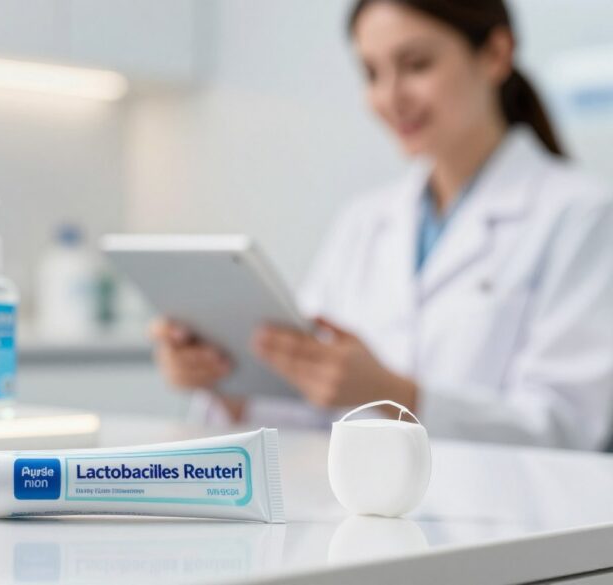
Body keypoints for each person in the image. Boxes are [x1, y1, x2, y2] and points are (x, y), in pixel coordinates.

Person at [151, 0, 613, 450]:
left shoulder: (581, 214)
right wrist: (227, 385)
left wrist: (394, 396)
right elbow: (310, 412)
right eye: (372, 73)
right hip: (363, 515)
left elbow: (569, 429)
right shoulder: (364, 222)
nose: (390, 97)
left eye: (416, 65)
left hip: (518, 516)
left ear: (495, 54)